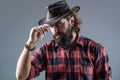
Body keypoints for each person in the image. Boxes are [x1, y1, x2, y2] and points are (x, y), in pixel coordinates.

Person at [16, 0, 112, 80]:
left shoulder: (96, 49)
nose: (55, 31)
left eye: (59, 24)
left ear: (71, 21)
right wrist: (31, 42)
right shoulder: (46, 50)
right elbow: (22, 76)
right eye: (51, 26)